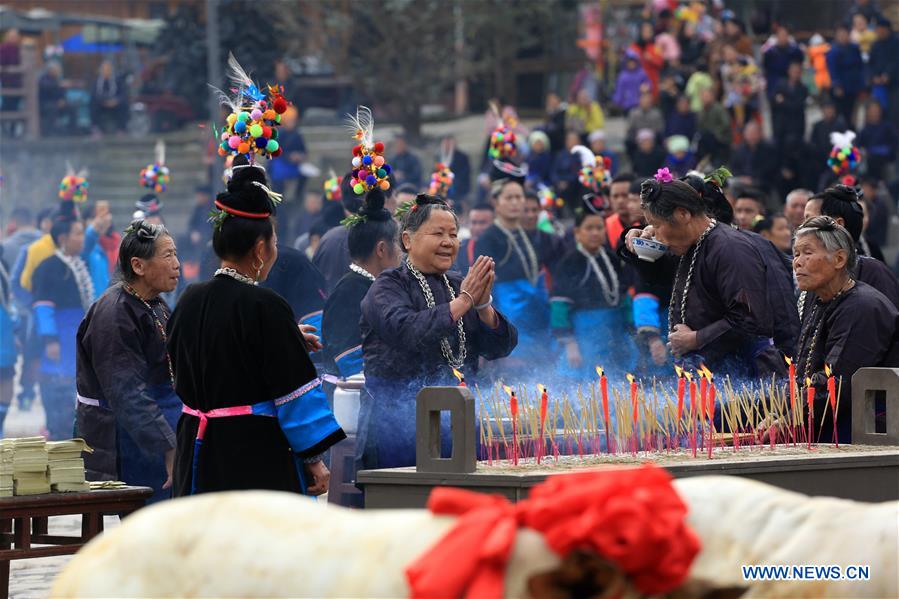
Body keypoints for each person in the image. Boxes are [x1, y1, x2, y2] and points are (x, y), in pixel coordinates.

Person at [168, 163, 345, 497]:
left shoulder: (189, 299)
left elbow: (185, 368)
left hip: (196, 448)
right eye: (274, 242)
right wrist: (314, 460)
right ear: (261, 250)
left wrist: (287, 339)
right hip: (250, 453)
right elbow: (293, 395)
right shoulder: (266, 305)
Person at [359, 194, 517, 470]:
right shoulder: (388, 286)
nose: (448, 242)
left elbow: (499, 348)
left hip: (459, 419)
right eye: (438, 233)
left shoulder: (459, 284)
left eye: (453, 234)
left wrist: (483, 306)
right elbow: (407, 331)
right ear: (408, 241)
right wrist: (465, 301)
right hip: (398, 423)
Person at [624, 178, 784, 378]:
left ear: (682, 214)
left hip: (740, 376)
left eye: (656, 225)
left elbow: (750, 320)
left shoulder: (730, 248)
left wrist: (696, 339)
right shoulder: (690, 244)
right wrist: (638, 247)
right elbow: (658, 278)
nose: (654, 233)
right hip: (708, 372)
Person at [75, 219, 181, 503]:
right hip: (129, 442)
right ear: (138, 266)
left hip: (161, 429)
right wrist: (167, 445)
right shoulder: (114, 314)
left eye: (176, 254)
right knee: (151, 532)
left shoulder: (154, 303)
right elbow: (127, 393)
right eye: (168, 255)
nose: (177, 264)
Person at [793, 216, 898, 443]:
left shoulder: (862, 306)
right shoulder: (817, 296)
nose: (797, 262)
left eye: (807, 253)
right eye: (796, 254)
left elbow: (838, 380)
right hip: (821, 411)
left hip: (861, 424)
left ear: (839, 259)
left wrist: (789, 417)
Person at [322, 188, 399, 379]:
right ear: (381, 249)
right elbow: (349, 360)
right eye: (398, 243)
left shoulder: (375, 286)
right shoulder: (349, 292)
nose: (402, 252)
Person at [32, 202, 92, 440]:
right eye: (78, 234)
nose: (81, 238)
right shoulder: (49, 268)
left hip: (76, 336)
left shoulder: (79, 264)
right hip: (60, 339)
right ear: (63, 238)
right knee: (59, 391)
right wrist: (50, 340)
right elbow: (43, 308)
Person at [551, 202, 632, 379]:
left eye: (599, 228)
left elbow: (624, 296)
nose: (595, 233)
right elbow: (559, 307)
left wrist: (630, 330)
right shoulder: (569, 262)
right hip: (584, 336)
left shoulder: (612, 259)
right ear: (577, 233)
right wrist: (570, 344)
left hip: (613, 333)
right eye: (589, 228)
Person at [475, 176, 549, 367]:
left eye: (519, 197)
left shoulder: (530, 233)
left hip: (537, 319)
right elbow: (484, 291)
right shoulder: (488, 239)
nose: (516, 203)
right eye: (509, 198)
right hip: (509, 319)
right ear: (495, 202)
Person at [803, 185, 899, 310]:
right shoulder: (812, 277)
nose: (802, 227)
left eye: (809, 220)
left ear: (838, 224)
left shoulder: (874, 273)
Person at [827, 24, 866, 127]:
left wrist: (862, 85)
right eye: (840, 34)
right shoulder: (833, 51)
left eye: (844, 34)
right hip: (840, 89)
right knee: (840, 117)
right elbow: (833, 70)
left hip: (853, 87)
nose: (842, 36)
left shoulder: (854, 48)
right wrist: (837, 85)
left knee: (852, 117)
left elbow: (860, 66)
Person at [731, 122, 779, 194]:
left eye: (754, 133)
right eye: (749, 133)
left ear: (760, 134)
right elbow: (734, 168)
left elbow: (770, 169)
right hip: (742, 182)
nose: (751, 136)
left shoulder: (769, 150)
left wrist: (752, 179)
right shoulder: (740, 150)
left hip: (762, 183)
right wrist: (742, 178)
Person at [857, 100, 897, 180]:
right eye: (872, 110)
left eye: (877, 110)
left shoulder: (887, 127)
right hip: (869, 161)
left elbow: (894, 143)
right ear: (868, 112)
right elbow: (859, 146)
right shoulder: (864, 130)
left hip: (886, 159)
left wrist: (884, 150)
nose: (875, 113)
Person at [772, 61, 808, 148]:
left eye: (798, 72)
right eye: (794, 71)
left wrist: (783, 101)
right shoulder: (780, 84)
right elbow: (774, 101)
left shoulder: (803, 88)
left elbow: (797, 106)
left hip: (796, 125)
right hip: (781, 124)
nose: (795, 74)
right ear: (789, 71)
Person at [762, 26, 804, 100]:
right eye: (780, 35)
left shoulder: (795, 51)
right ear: (776, 37)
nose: (783, 38)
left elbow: (799, 63)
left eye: (785, 35)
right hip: (774, 84)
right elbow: (765, 67)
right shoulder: (770, 53)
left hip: (791, 85)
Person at [90, 60, 128, 134]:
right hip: (101, 103)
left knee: (124, 104)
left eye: (108, 69)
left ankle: (121, 129)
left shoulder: (117, 81)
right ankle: (96, 129)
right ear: (101, 71)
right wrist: (103, 102)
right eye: (104, 70)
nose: (106, 71)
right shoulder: (96, 82)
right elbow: (94, 95)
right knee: (93, 104)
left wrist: (115, 101)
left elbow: (123, 94)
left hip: (115, 103)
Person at [456, 203, 494, 274]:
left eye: (482, 223)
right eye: (473, 222)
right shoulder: (459, 249)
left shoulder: (505, 248)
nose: (477, 227)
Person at [613, 49, 651, 113]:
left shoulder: (641, 73)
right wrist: (617, 101)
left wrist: (647, 87)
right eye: (629, 62)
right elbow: (619, 90)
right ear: (626, 63)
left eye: (633, 62)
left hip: (640, 104)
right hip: (627, 105)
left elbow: (649, 84)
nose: (631, 64)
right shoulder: (623, 76)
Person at [606, 173, 636, 251]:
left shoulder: (650, 225)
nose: (620, 201)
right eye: (615, 196)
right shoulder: (605, 226)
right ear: (609, 199)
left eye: (625, 195)